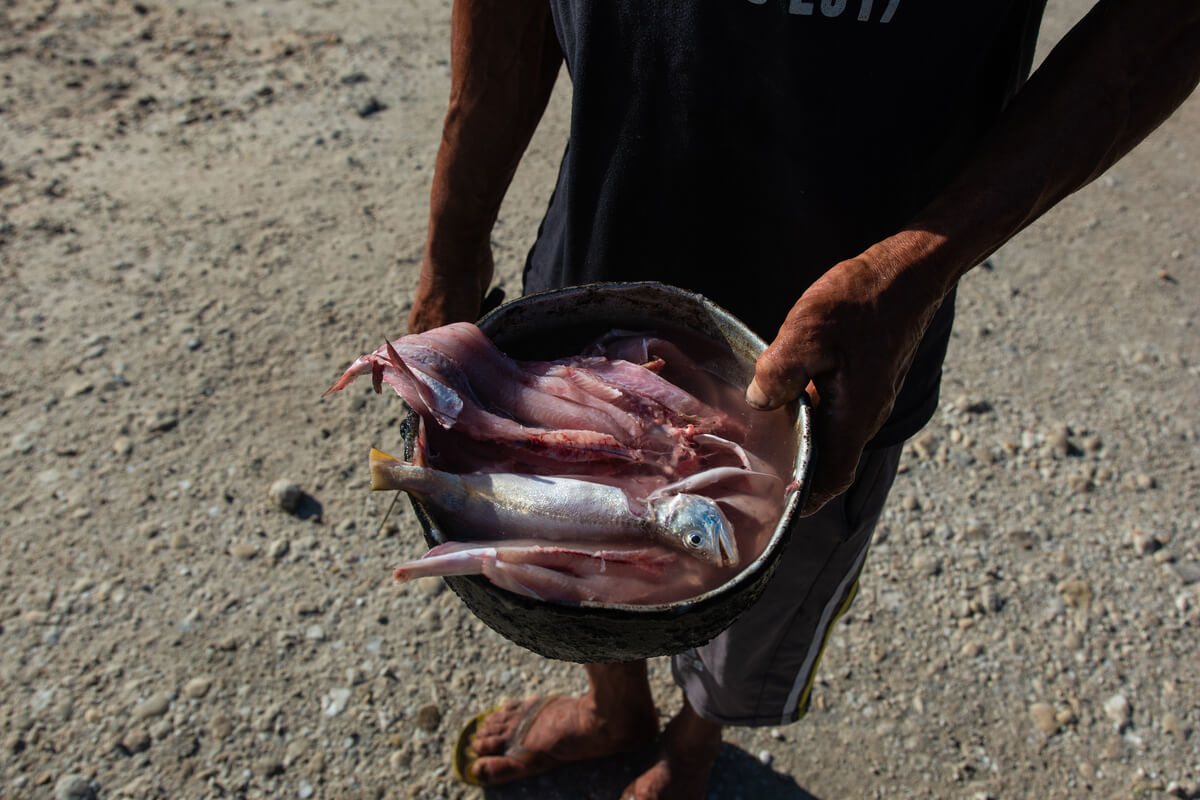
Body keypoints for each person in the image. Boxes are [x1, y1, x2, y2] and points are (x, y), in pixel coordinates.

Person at [407, 2, 1200, 797]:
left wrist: (919, 265)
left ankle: (692, 749)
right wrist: (452, 244)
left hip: (848, 341)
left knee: (771, 579)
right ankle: (617, 709)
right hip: (595, 256)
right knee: (570, 543)